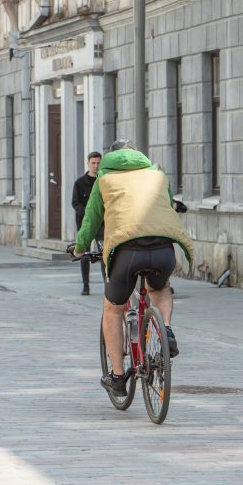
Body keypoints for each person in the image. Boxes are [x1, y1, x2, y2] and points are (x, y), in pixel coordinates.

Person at [70, 139, 193, 396]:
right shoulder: (157, 174)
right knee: (160, 288)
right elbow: (166, 205)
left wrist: (80, 248)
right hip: (163, 248)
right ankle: (166, 329)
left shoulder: (103, 179)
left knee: (112, 309)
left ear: (109, 160)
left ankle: (117, 377)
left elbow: (91, 220)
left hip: (127, 252)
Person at [72, 151, 105, 296]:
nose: (96, 166)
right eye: (93, 163)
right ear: (88, 163)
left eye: (98, 163)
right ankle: (85, 286)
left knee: (105, 254)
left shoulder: (104, 181)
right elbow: (75, 203)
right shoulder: (80, 182)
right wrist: (88, 214)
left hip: (102, 224)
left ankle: (107, 285)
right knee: (84, 254)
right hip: (84, 224)